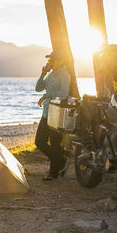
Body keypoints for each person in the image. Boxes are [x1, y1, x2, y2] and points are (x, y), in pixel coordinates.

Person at [35, 51, 70, 181]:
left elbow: (64, 93)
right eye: (49, 61)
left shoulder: (64, 75)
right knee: (39, 141)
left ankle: (53, 172)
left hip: (57, 114)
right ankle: (60, 159)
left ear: (60, 61)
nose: (50, 63)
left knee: (55, 143)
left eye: (53, 61)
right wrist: (43, 73)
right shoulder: (50, 75)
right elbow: (38, 88)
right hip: (46, 113)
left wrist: (46, 95)